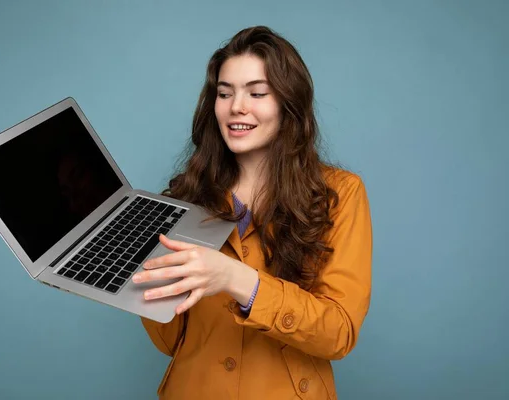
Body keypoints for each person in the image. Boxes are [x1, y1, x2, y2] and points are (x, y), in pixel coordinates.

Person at [131, 25, 372, 399]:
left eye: (257, 93)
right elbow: (172, 342)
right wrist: (137, 277)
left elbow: (338, 332)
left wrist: (236, 278)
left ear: (289, 104)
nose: (236, 107)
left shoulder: (340, 193)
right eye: (224, 93)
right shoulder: (187, 195)